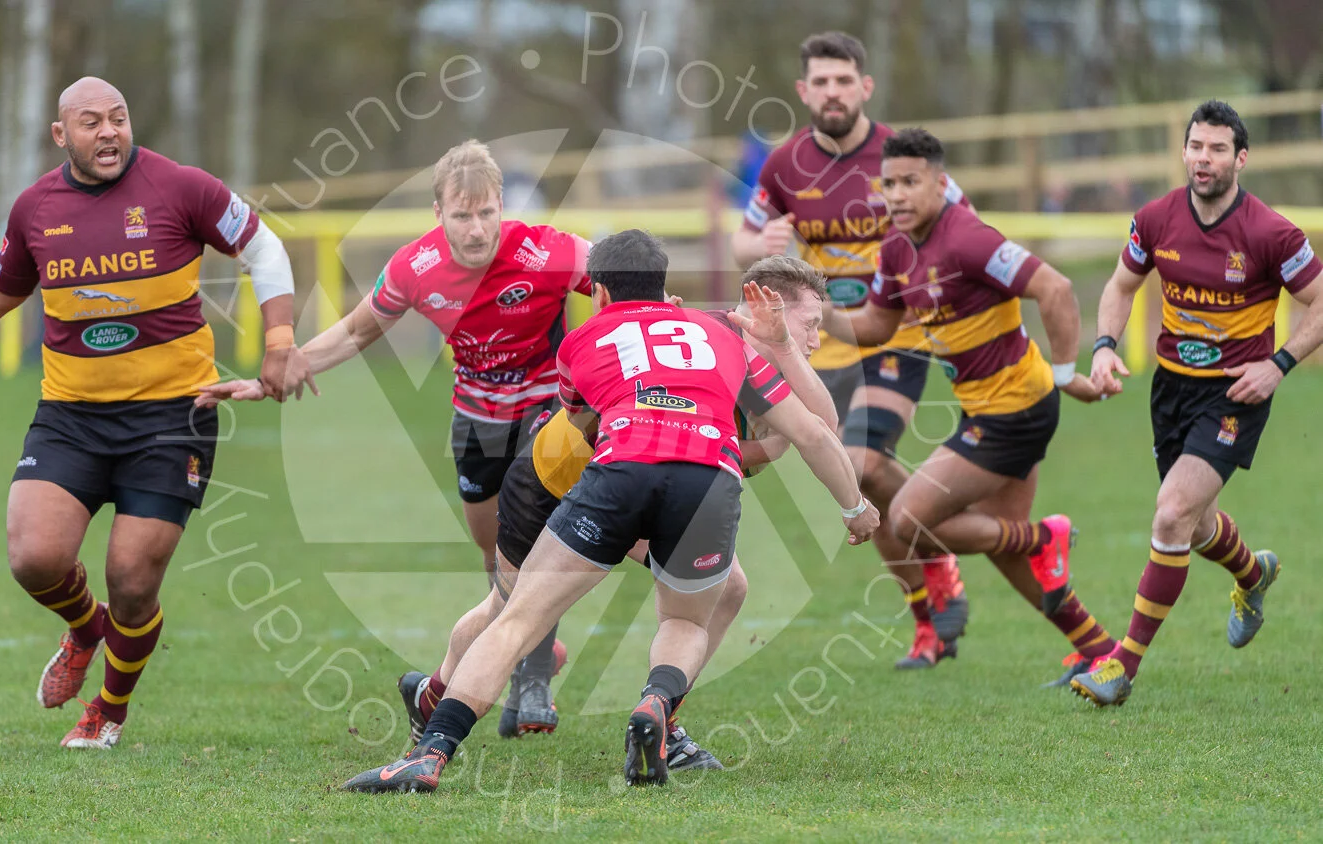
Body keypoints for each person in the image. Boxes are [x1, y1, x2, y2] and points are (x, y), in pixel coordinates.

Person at [0, 77, 311, 749]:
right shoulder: (36, 207)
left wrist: (279, 342)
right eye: (91, 121)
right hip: (72, 413)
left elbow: (264, 247)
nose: (109, 132)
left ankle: (108, 711)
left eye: (118, 118)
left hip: (170, 416)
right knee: (35, 557)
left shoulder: (182, 188)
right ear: (60, 135)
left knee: (131, 578)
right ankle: (85, 627)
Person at [342, 230, 878, 793]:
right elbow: (784, 435)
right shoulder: (718, 336)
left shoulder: (749, 354)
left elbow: (819, 425)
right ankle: (439, 695)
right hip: (557, 474)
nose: (818, 340)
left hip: (626, 469)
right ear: (761, 301)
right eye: (808, 325)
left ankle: (657, 717)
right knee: (512, 606)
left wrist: (784, 353)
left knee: (728, 587)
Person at [200, 139, 588, 722]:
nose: (477, 229)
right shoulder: (416, 268)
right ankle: (527, 641)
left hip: (548, 415)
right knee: (495, 549)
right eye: (462, 215)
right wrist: (280, 371)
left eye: (487, 213)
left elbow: (620, 278)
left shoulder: (545, 251)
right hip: (478, 422)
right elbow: (357, 332)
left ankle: (530, 680)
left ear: (502, 206)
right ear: (438, 214)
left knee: (532, 542)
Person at [820, 128, 1117, 676]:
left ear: (940, 183)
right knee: (1002, 549)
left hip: (1017, 409)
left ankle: (1043, 536)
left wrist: (1069, 371)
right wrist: (820, 314)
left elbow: (1055, 288)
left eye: (912, 182)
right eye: (890, 183)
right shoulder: (895, 249)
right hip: (990, 409)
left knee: (908, 516)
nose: (899, 194)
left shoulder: (969, 239)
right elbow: (877, 325)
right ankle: (1099, 650)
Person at [1069, 101, 1323, 707]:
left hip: (1235, 392)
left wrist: (1278, 365)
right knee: (1192, 521)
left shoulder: (1271, 233)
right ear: (1183, 151)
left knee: (1169, 513)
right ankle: (1253, 573)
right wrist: (1104, 346)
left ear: (1240, 158)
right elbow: (1120, 286)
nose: (1202, 159)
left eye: (1215, 149)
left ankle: (1120, 667)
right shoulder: (1155, 219)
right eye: (1194, 147)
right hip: (1171, 390)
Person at [731, 31, 971, 647]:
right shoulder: (785, 163)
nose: (833, 92)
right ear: (803, 90)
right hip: (819, 342)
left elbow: (965, 223)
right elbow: (742, 239)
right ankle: (925, 610)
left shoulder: (899, 154)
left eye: (844, 81)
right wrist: (760, 247)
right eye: (822, 81)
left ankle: (940, 557)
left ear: (864, 87)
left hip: (898, 332)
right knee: (858, 473)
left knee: (859, 462)